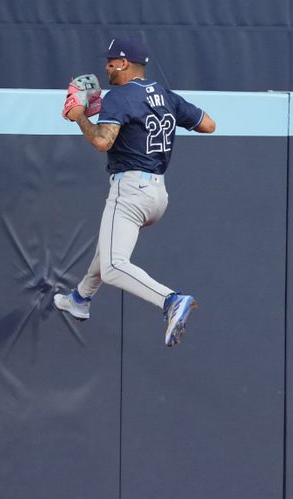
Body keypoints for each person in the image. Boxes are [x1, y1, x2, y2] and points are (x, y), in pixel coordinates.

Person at [54, 37, 216, 347]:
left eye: (111, 62)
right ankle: (79, 298)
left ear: (124, 63)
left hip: (130, 190)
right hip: (158, 195)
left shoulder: (120, 96)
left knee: (113, 266)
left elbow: (102, 141)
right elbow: (209, 125)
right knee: (108, 249)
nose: (107, 67)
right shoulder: (164, 95)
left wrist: (80, 117)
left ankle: (171, 301)